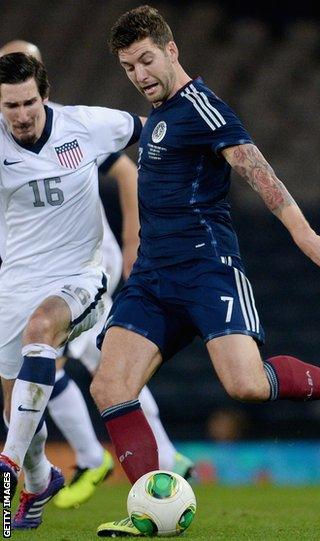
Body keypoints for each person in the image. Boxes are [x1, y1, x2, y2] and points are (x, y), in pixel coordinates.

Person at [90, 5, 320, 537]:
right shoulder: (161, 119)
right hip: (152, 279)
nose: (140, 75)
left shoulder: (201, 105)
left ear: (172, 50)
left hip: (206, 270)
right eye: (129, 67)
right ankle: (148, 511)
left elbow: (252, 166)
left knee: (245, 385)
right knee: (110, 385)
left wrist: (306, 234)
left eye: (147, 60)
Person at [0, 40, 193, 512]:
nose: (22, 115)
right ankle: (39, 477)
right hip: (18, 280)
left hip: (83, 273)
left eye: (29, 103)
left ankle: (14, 462)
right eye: (11, 106)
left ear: (44, 95)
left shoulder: (83, 125)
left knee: (77, 348)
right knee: (19, 407)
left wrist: (191, 175)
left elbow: (155, 133)